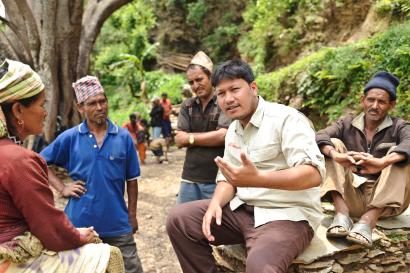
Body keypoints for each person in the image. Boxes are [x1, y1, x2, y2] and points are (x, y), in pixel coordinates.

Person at [166, 60, 325, 273]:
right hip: (242, 211)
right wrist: (215, 203)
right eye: (221, 93)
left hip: (286, 215)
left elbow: (313, 173)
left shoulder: (286, 119)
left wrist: (258, 179)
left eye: (234, 89)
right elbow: (228, 178)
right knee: (180, 220)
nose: (228, 99)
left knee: (260, 268)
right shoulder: (234, 129)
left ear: (253, 88)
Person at [0, 59, 124, 272]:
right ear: (19, 110)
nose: (46, 112)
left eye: (102, 102)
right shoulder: (22, 159)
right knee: (108, 255)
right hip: (11, 257)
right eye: (42, 105)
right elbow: (48, 227)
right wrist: (77, 234)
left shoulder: (122, 136)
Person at [40, 76, 143, 273]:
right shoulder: (70, 137)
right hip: (79, 226)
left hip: (118, 224)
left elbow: (131, 180)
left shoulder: (123, 137)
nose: (99, 107)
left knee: (131, 268)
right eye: (92, 103)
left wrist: (132, 215)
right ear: (80, 108)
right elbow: (39, 161)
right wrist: (62, 187)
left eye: (102, 101)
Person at [316, 71, 410, 247]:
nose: (374, 106)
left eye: (381, 102)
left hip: (388, 204)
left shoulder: (400, 127)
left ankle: (368, 221)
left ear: (392, 105)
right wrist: (337, 155)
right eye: (370, 100)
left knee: (398, 153)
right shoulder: (346, 124)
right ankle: (341, 214)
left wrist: (382, 162)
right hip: (352, 198)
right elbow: (319, 135)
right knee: (332, 144)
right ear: (362, 100)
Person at [175, 51, 230, 203]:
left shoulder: (224, 101)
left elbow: (223, 136)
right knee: (182, 222)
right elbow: (179, 140)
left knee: (215, 224)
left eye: (199, 79)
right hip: (189, 178)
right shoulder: (188, 106)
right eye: (191, 82)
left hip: (218, 178)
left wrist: (190, 137)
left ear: (211, 77)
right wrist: (211, 137)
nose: (195, 86)